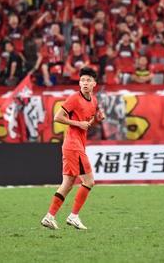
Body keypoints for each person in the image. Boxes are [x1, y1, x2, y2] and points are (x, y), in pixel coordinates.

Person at [41, 67, 104, 230]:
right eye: (82, 80)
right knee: (89, 181)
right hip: (73, 145)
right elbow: (58, 117)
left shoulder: (94, 100)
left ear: (94, 84)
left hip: (76, 144)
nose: (85, 83)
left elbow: (87, 123)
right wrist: (78, 123)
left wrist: (98, 118)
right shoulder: (74, 98)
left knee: (68, 183)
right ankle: (73, 216)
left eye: (88, 80)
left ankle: (49, 217)